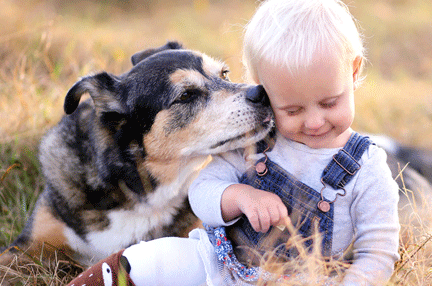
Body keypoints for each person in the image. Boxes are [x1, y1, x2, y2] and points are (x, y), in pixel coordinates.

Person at [65, 0, 399, 285]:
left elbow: (379, 250)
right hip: (214, 261)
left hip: (300, 279)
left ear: (354, 73)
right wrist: (238, 195)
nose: (313, 122)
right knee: (151, 258)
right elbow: (203, 192)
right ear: (263, 88)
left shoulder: (368, 168)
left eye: (328, 103)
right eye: (291, 109)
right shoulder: (258, 143)